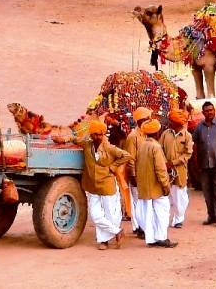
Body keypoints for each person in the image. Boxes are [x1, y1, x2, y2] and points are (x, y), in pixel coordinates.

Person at [75, 118, 133, 250]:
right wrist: (63, 139)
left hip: (107, 185)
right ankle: (117, 231)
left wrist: (113, 166)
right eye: (96, 134)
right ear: (91, 134)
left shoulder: (109, 147)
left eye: (101, 134)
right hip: (92, 186)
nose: (99, 137)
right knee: (95, 215)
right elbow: (75, 140)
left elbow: (127, 155)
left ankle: (104, 241)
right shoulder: (87, 144)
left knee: (110, 214)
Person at [135, 118, 177, 248]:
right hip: (156, 187)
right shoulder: (156, 147)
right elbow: (160, 169)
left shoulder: (142, 145)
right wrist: (166, 185)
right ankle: (162, 238)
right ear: (157, 132)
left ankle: (151, 239)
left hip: (144, 186)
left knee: (149, 214)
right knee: (162, 212)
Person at [192, 101, 216, 229]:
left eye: (211, 110)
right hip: (204, 165)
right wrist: (196, 161)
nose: (209, 112)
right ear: (203, 113)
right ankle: (211, 216)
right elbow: (196, 145)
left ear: (214, 111)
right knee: (207, 192)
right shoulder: (199, 127)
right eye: (207, 111)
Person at [122, 106, 152, 239]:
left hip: (147, 174)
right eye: (146, 119)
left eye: (149, 119)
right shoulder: (132, 137)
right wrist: (133, 175)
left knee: (144, 202)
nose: (148, 121)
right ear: (139, 121)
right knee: (138, 202)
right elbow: (130, 158)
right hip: (136, 175)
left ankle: (143, 226)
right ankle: (140, 228)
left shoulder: (147, 134)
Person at [161, 109, 193, 228]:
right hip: (166, 169)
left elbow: (187, 154)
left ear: (178, 123)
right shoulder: (166, 134)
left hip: (180, 170)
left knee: (180, 196)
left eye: (172, 121)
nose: (169, 123)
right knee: (166, 195)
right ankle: (165, 219)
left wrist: (173, 163)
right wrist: (165, 163)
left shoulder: (187, 136)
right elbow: (160, 149)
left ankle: (178, 219)